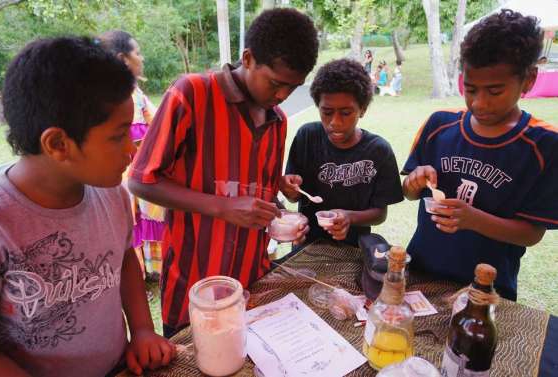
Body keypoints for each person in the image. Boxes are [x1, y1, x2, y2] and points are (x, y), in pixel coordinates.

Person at [128, 8, 319, 338]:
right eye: (276, 83)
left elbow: (258, 190)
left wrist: (279, 215)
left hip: (251, 280)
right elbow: (142, 180)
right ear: (248, 58)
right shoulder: (192, 95)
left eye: (293, 87)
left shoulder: (278, 122)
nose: (282, 96)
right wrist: (222, 207)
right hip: (193, 282)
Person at [0, 37, 174, 377]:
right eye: (118, 136)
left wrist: (144, 331)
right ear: (59, 144)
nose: (131, 151)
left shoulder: (112, 194)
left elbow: (123, 260)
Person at [402, 10, 558, 301]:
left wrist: (474, 219)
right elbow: (410, 193)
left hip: (486, 288)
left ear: (528, 80)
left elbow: (532, 233)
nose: (479, 103)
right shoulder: (439, 125)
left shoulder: (544, 145)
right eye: (470, 89)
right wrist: (413, 183)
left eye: (494, 91)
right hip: (419, 274)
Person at [280, 59, 404, 250]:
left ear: (362, 110)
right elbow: (294, 197)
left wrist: (350, 217)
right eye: (327, 112)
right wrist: (289, 190)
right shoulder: (307, 137)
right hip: (307, 248)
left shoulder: (378, 151)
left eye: (346, 113)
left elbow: (380, 213)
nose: (335, 122)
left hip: (354, 251)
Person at [98, 30, 164, 283]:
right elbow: (147, 131)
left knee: (140, 219)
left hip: (137, 168)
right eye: (137, 53)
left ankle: (147, 269)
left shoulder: (136, 94)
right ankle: (141, 270)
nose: (142, 58)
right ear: (122, 59)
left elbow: (155, 122)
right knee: (134, 220)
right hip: (129, 171)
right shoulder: (119, 98)